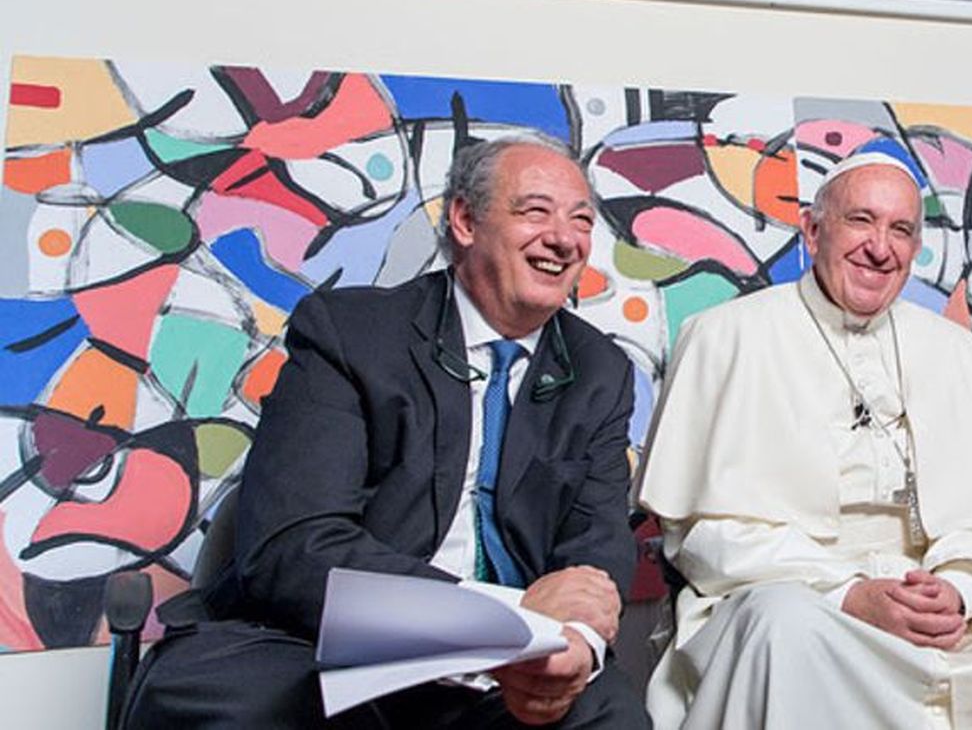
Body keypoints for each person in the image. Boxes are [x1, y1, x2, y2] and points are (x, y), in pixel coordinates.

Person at [122, 135, 649, 728]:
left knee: (611, 715)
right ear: (465, 220)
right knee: (247, 708)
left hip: (506, 671)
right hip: (323, 644)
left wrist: (574, 641)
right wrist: (502, 614)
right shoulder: (350, 333)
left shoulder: (601, 371)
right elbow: (294, 547)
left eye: (581, 220)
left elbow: (595, 549)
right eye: (535, 211)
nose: (564, 238)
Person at [637, 152, 972, 729]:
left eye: (900, 230)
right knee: (784, 624)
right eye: (861, 220)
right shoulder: (725, 336)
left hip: (942, 589)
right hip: (803, 593)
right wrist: (850, 593)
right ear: (813, 231)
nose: (880, 247)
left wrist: (958, 586)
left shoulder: (957, 350)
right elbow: (701, 537)